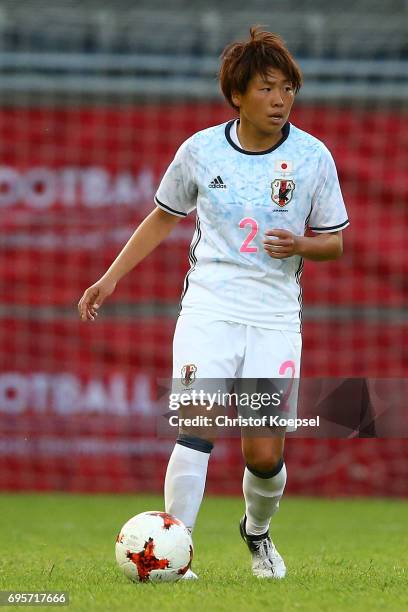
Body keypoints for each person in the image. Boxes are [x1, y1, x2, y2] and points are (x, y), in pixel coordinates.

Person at [78, 27, 349, 579]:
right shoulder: (200, 151)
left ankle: (257, 531)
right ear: (238, 95)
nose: (281, 100)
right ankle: (174, 555)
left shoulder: (312, 157)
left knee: (264, 457)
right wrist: (109, 278)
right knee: (196, 422)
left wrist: (301, 244)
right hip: (208, 309)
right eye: (268, 88)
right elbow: (162, 217)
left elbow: (336, 241)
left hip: (273, 318)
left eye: (288, 88)